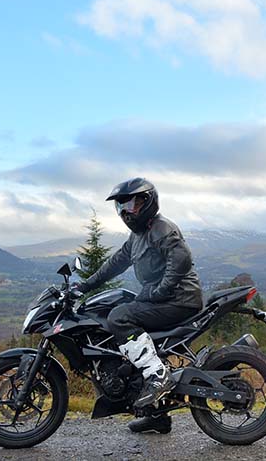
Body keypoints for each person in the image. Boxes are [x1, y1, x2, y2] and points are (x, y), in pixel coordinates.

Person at [74, 177, 203, 434]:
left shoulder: (162, 228)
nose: (125, 212)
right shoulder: (138, 236)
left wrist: (158, 292)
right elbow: (115, 263)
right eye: (121, 206)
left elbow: (181, 260)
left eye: (131, 204)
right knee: (122, 316)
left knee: (119, 317)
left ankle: (158, 376)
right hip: (165, 299)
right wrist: (84, 286)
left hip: (180, 299)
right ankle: (156, 416)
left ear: (148, 202)